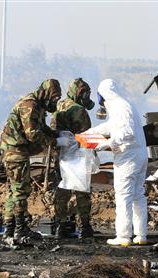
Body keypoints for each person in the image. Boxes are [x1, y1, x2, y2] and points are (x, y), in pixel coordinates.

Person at [0, 79, 75, 245]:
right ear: (45, 94)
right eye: (53, 98)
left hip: (19, 150)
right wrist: (56, 142)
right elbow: (33, 134)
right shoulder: (30, 105)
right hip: (15, 151)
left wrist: (58, 134)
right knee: (20, 190)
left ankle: (9, 231)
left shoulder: (38, 106)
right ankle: (19, 231)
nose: (54, 102)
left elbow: (41, 128)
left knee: (14, 191)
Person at [84, 79, 148, 247]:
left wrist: (106, 144)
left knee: (124, 196)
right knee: (137, 196)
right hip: (139, 155)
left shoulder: (120, 107)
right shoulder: (124, 105)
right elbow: (112, 126)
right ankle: (141, 235)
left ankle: (123, 236)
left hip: (128, 157)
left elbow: (127, 132)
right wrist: (90, 133)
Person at [51, 78, 96, 239]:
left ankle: (60, 226)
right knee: (82, 191)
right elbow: (87, 137)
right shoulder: (79, 111)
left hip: (60, 155)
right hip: (77, 156)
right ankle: (85, 227)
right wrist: (94, 158)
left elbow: (52, 130)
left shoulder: (59, 106)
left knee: (62, 191)